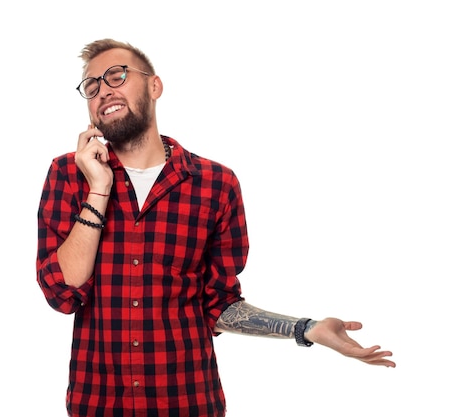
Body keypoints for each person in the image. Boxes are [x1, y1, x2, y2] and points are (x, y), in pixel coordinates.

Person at [36, 38, 396, 417]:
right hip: (98, 405)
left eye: (117, 75)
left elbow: (219, 304)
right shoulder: (68, 174)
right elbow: (63, 292)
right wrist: (99, 187)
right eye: (91, 87)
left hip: (188, 403)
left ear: (154, 86)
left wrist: (304, 329)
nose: (103, 90)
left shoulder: (215, 184)